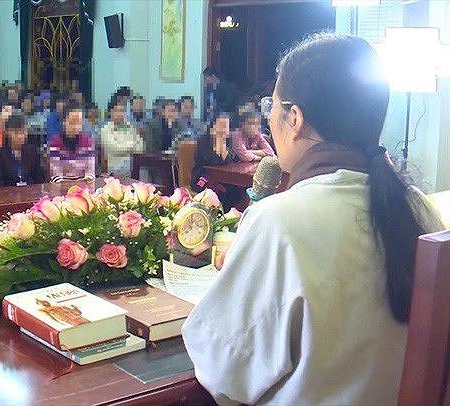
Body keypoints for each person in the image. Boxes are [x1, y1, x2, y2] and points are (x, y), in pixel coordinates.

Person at [182, 33, 445, 405]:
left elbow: (221, 370)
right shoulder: (420, 209)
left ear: (295, 118)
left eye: (270, 106)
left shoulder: (281, 221)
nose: (268, 118)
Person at [190, 114, 240, 211]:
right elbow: (212, 161)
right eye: (221, 125)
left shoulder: (227, 141)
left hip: (222, 178)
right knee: (223, 192)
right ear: (213, 127)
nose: (223, 129)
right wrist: (220, 146)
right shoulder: (203, 140)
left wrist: (223, 148)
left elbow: (234, 158)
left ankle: (230, 218)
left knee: (236, 190)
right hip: (203, 176)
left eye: (226, 126)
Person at [0, 113, 44, 187]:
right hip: (6, 195)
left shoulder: (33, 151)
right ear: (8, 132)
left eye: (24, 132)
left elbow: (38, 179)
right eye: (17, 132)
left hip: (30, 193)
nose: (21, 136)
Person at [47, 102, 95, 180]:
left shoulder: (88, 142)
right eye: (72, 122)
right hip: (61, 187)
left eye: (79, 123)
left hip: (82, 186)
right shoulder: (55, 143)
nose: (76, 126)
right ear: (64, 121)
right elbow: (55, 176)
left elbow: (90, 173)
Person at [100, 100, 144, 177]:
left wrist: (125, 146)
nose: (120, 114)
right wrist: (131, 145)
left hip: (129, 171)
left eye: (122, 111)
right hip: (112, 172)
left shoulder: (129, 127)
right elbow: (114, 148)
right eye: (117, 111)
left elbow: (140, 147)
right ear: (111, 112)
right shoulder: (106, 129)